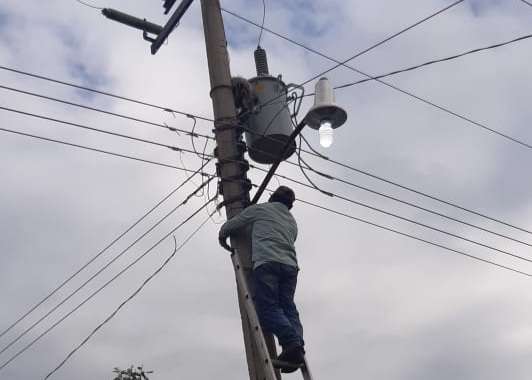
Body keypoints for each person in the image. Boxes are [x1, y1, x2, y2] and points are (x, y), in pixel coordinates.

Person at [219, 186, 305, 369]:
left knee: (267, 309)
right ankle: (296, 344)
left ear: (272, 197)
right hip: (290, 266)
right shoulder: (292, 222)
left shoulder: (261, 209)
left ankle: (291, 342)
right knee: (288, 307)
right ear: (290, 205)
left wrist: (222, 235)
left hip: (267, 262)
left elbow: (236, 223)